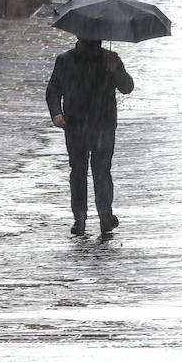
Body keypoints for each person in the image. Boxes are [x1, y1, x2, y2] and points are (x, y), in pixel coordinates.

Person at [46, 38, 135, 235]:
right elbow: (53, 90)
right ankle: (80, 218)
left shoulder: (110, 59)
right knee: (78, 172)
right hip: (76, 126)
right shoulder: (66, 60)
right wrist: (56, 113)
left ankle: (105, 216)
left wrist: (116, 71)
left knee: (101, 171)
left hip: (103, 125)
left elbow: (127, 87)